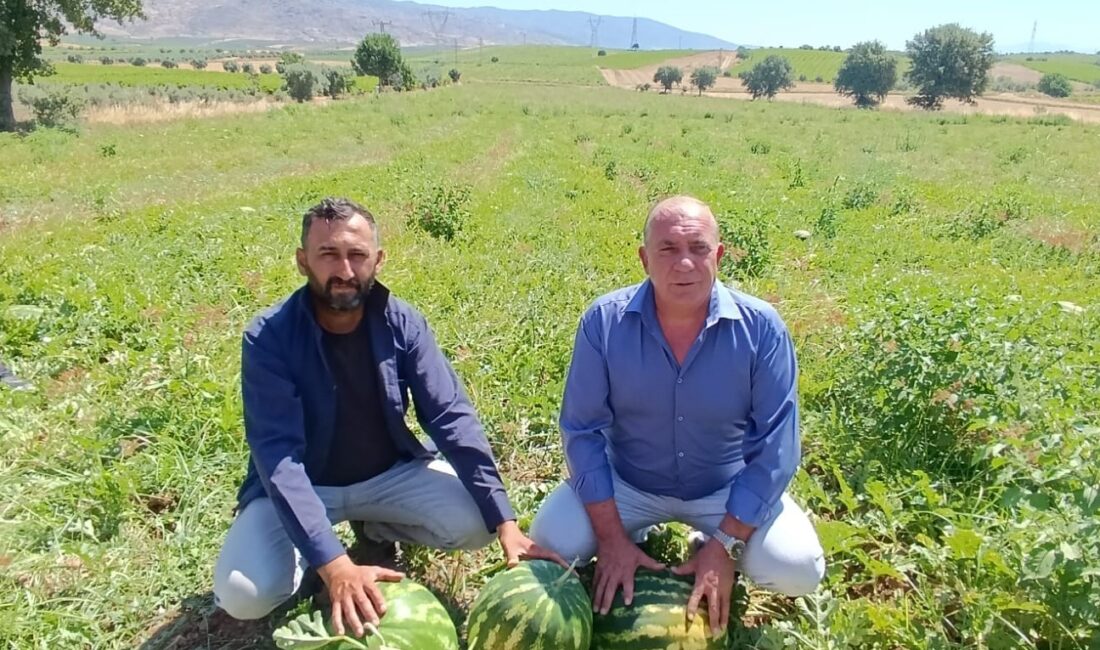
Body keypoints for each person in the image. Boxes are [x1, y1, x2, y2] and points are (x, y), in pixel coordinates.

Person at [214, 197, 562, 638]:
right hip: (305, 485)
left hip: (385, 476)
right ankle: (313, 558)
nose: (344, 269)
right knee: (244, 594)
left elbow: (451, 417)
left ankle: (372, 527)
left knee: (478, 523)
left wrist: (506, 521)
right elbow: (278, 459)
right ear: (303, 262)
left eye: (357, 255)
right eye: (328, 255)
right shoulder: (269, 338)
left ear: (378, 260)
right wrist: (334, 563)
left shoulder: (403, 324)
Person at [530, 195, 825, 638]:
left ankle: (709, 541)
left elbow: (776, 450)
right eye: (667, 249)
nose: (684, 263)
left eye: (698, 248)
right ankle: (634, 535)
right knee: (552, 541)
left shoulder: (761, 328)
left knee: (799, 569)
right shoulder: (604, 323)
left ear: (719, 255)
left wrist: (726, 544)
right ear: (644, 258)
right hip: (628, 482)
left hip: (724, 488)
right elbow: (582, 431)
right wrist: (610, 536)